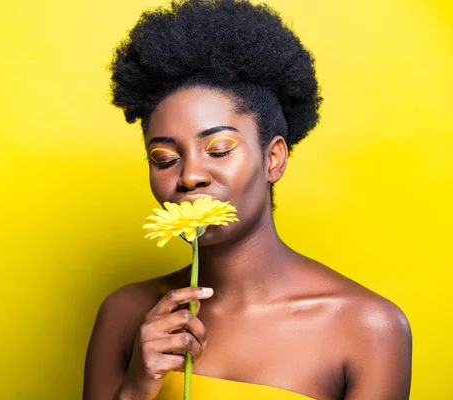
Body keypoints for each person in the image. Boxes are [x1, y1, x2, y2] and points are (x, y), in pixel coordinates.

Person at [83, 0, 412, 399]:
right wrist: (136, 388)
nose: (189, 176)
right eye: (164, 158)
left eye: (219, 149)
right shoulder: (126, 314)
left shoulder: (366, 326)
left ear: (273, 159)